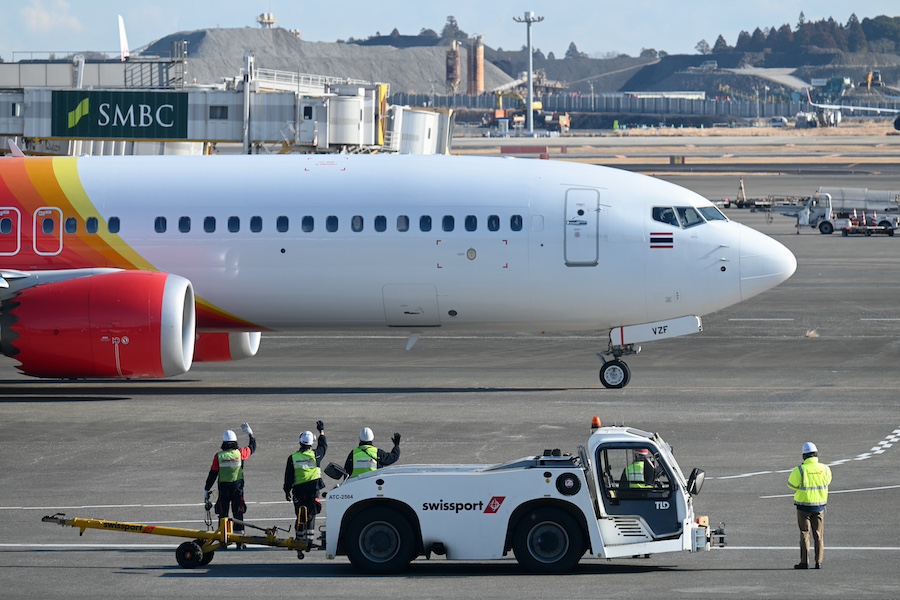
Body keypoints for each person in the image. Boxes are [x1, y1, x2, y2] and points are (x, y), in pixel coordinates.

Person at [204, 423, 256, 540]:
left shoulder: (219, 456)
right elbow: (252, 447)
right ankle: (239, 540)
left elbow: (213, 474)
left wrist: (206, 489)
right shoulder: (240, 453)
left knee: (223, 514)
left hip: (224, 490)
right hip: (237, 489)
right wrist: (250, 434)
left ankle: (223, 539)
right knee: (238, 513)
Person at [787, 441, 833, 570]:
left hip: (803, 507)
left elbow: (791, 485)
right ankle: (819, 561)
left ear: (804, 456)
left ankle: (804, 562)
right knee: (818, 534)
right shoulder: (825, 469)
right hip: (819, 507)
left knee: (804, 534)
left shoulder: (800, 470)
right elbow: (828, 481)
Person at [283, 421, 327, 538]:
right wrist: (321, 432)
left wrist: (287, 490)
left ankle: (299, 538)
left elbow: (289, 476)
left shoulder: (293, 458)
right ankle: (310, 539)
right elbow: (323, 446)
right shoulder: (316, 455)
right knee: (311, 514)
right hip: (313, 489)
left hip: (299, 490)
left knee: (299, 514)